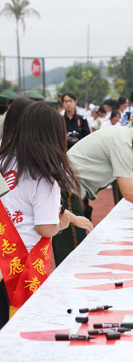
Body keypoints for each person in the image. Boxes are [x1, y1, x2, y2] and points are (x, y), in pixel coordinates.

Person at [0, 102, 93, 327]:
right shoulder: (44, 175)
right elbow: (45, 227)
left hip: (4, 254)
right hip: (19, 265)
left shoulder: (5, 156)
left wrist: (67, 216)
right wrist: (61, 224)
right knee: (17, 329)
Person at [52, 108, 133, 266]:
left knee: (72, 254)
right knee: (71, 261)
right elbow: (129, 193)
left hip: (67, 191)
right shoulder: (123, 142)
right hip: (66, 193)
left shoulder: (123, 135)